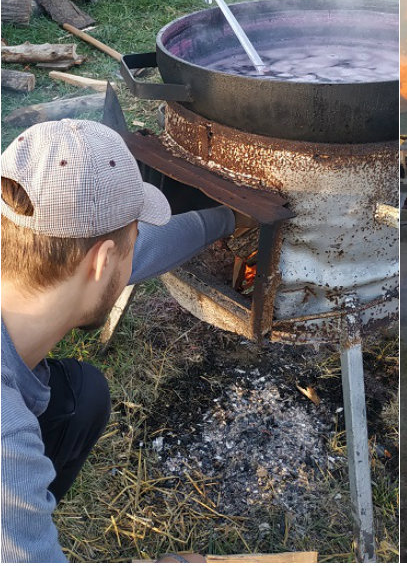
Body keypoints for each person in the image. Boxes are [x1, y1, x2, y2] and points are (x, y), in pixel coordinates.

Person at [0, 120, 235, 562]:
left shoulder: (17, 241)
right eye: (132, 238)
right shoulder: (5, 446)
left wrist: (225, 220)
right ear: (103, 262)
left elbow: (133, 256)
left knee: (82, 395)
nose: (135, 251)